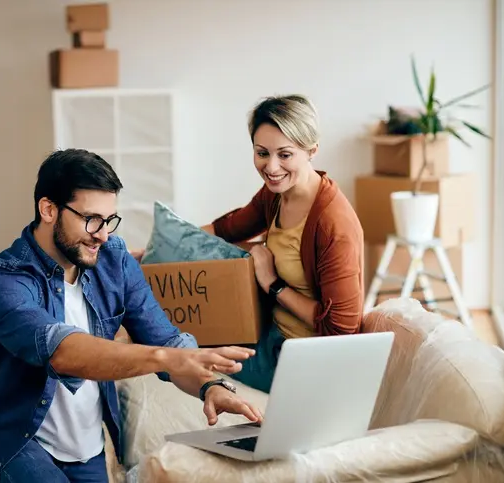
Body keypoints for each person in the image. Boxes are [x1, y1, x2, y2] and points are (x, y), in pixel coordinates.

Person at [0, 148, 263, 483]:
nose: (103, 234)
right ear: (48, 209)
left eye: (109, 220)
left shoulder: (113, 260)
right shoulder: (0, 278)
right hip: (16, 444)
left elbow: (165, 338)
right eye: (91, 219)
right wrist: (167, 358)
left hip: (88, 449)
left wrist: (211, 387)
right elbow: (64, 353)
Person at [133, 95, 364, 394]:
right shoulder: (277, 192)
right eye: (262, 153)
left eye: (285, 154)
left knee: (179, 356)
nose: (271, 166)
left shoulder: (333, 224)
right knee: (166, 336)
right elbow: (227, 228)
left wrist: (274, 284)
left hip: (298, 357)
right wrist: (157, 250)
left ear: (311, 150)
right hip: (267, 330)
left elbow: (342, 329)